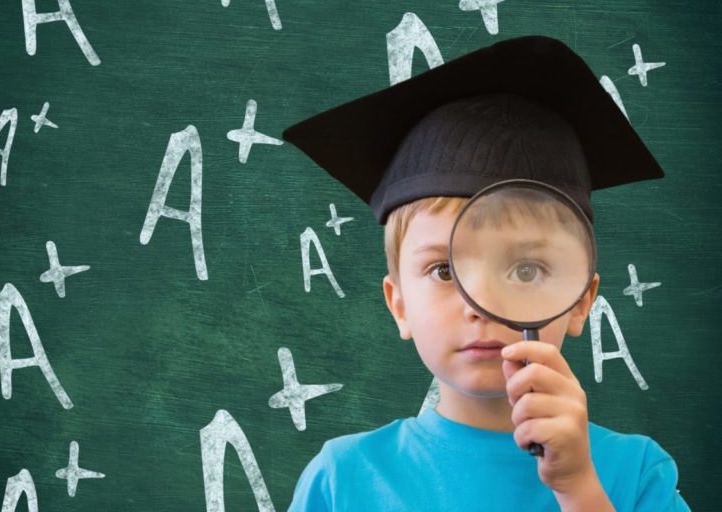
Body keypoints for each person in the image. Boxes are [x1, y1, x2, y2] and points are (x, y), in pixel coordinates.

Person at [281, 35, 690, 511]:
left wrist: (578, 488)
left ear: (581, 299)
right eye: (443, 270)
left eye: (526, 268)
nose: (480, 305)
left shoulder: (635, 472)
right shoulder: (343, 479)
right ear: (398, 305)